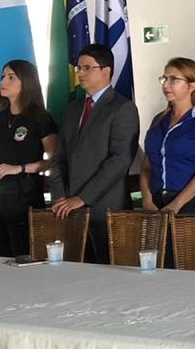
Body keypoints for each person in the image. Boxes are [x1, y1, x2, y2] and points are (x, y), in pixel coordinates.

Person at [50, 44, 141, 264]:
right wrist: (60, 195)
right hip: (69, 210)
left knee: (107, 271)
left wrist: (83, 198)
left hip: (105, 208)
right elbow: (59, 157)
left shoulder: (122, 108)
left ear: (106, 71)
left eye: (87, 68)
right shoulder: (72, 109)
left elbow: (120, 160)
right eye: (78, 68)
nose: (80, 73)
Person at [0, 60, 58, 258]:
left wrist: (20, 168)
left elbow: (54, 160)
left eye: (11, 77)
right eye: (3, 77)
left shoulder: (40, 118)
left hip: (25, 196)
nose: (3, 82)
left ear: (26, 82)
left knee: (23, 256)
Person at [139, 57, 195, 220]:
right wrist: (147, 200)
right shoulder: (158, 120)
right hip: (156, 202)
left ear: (192, 86)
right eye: (164, 79)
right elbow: (147, 166)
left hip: (193, 204)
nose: (166, 85)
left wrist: (176, 204)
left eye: (174, 79)